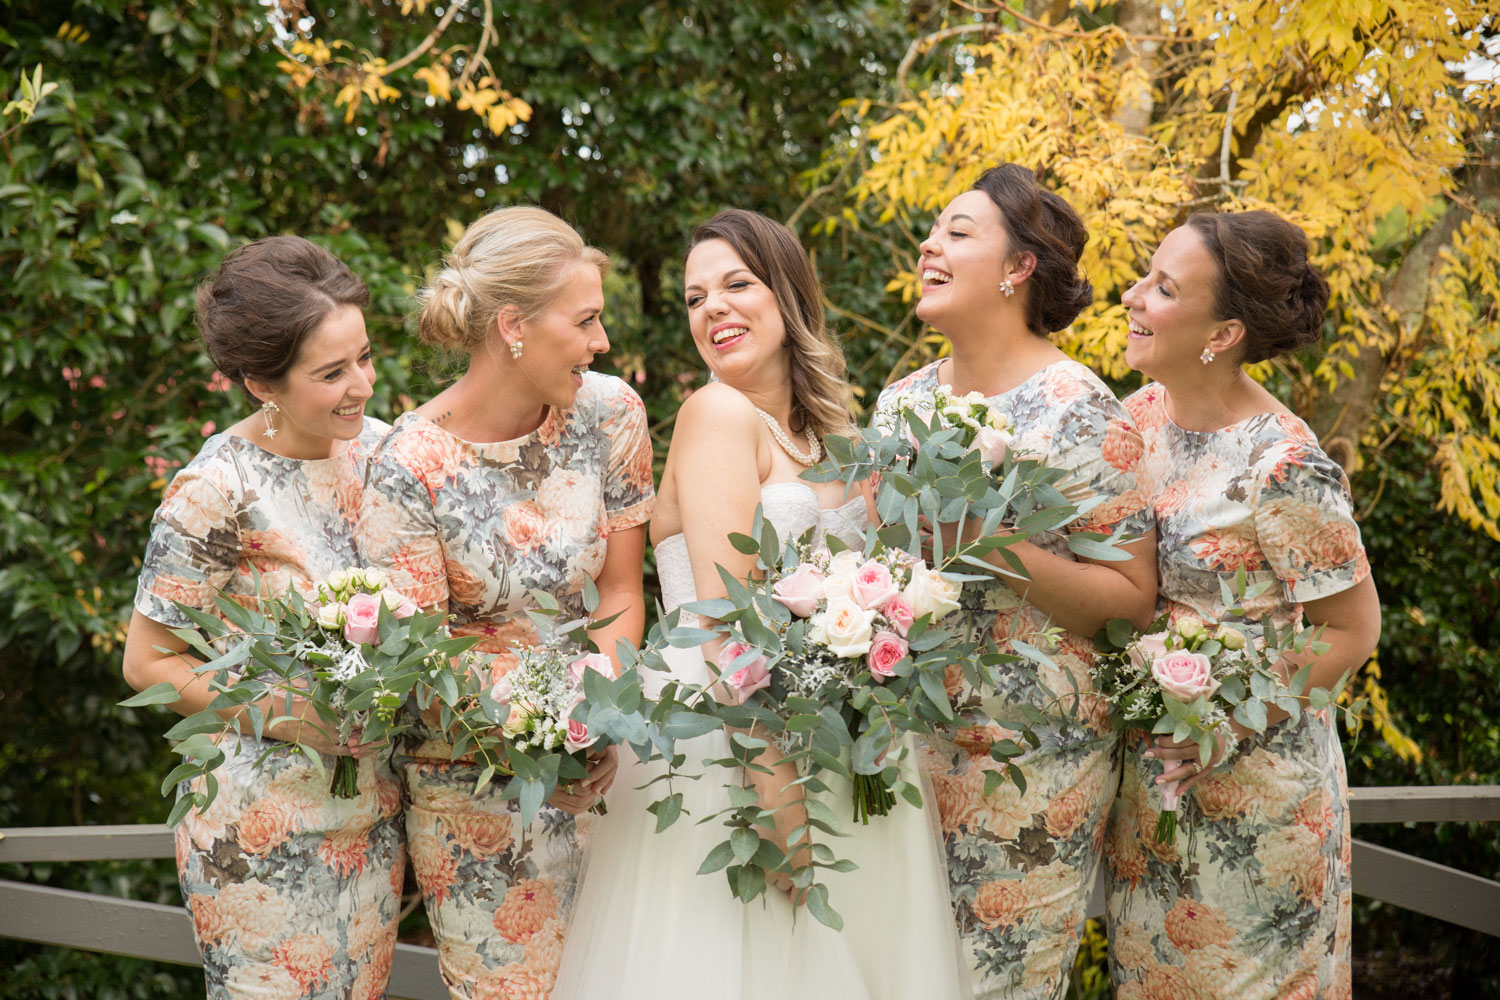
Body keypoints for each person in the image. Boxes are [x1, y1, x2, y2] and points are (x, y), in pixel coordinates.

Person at [554, 209, 967, 999]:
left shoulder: (838, 439)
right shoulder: (717, 415)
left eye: (736, 284)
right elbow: (724, 629)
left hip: (840, 750)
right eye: (694, 297)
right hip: (730, 753)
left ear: (787, 295)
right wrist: (780, 804)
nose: (712, 308)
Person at [871, 163, 1159, 1000]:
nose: (930, 243)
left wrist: (989, 546)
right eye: (933, 229)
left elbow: (1133, 602)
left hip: (1030, 763)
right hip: (904, 749)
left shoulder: (1079, 409)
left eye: (959, 232)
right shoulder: (900, 403)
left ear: (1018, 267)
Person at [356, 206, 652, 998]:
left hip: (608, 768)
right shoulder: (408, 466)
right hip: (476, 796)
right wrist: (534, 749)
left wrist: (599, 716)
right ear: (514, 324)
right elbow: (417, 669)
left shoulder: (610, 414)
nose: (602, 343)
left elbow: (622, 588)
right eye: (586, 320)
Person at [1103, 210, 1381, 1000]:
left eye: (1162, 287)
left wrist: (1221, 723)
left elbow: (1354, 629)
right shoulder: (1139, 419)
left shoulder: (1285, 464)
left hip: (1262, 804)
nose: (1132, 296)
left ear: (1220, 333)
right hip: (1154, 795)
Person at [122, 236, 403, 998]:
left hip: (372, 822)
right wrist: (283, 715)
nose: (362, 386)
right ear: (260, 385)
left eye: (366, 357)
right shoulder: (215, 487)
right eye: (332, 373)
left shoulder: (386, 454)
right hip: (256, 831)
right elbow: (147, 662)